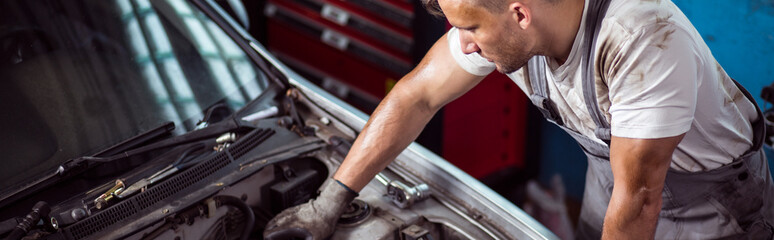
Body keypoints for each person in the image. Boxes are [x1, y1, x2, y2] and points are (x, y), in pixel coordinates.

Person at [264, 0, 774, 239]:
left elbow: (641, 197)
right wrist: (327, 202)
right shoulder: (505, 26)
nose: (462, 43)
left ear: (520, 13)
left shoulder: (641, 36)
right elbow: (415, 98)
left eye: (468, 27)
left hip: (712, 206)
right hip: (615, 181)